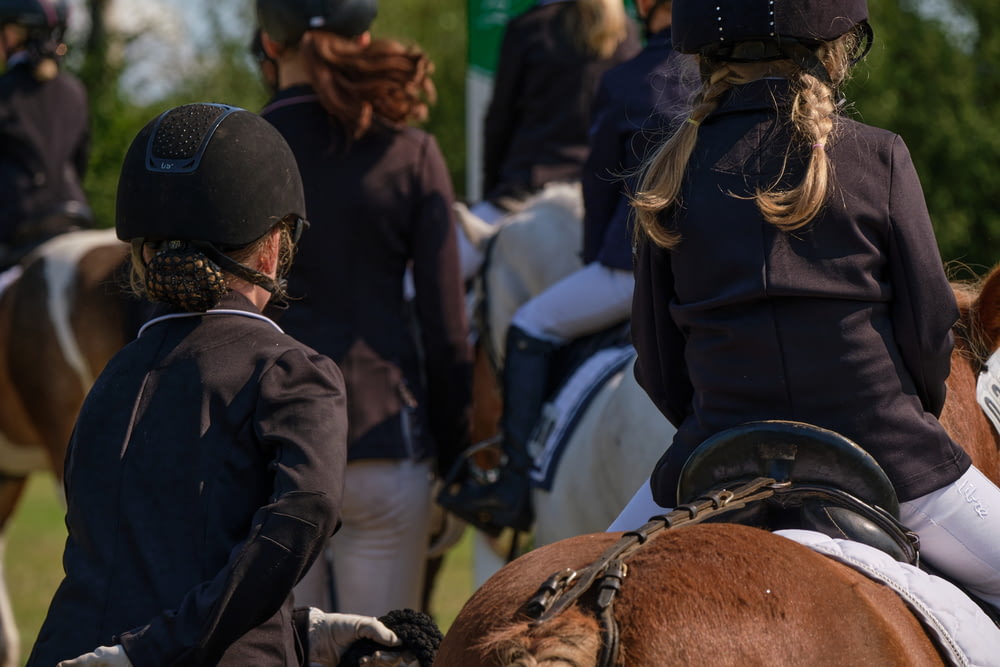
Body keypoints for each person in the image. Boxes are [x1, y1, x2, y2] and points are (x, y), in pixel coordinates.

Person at [617, 0, 1000, 612]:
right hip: (892, 459)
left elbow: (657, 362)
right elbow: (930, 333)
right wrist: (906, 418)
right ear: (833, 49)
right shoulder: (881, 155)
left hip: (718, 458)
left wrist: (719, 424)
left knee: (563, 595)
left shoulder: (669, 173)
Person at [26, 103, 406, 666]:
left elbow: (142, 565)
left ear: (145, 253)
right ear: (275, 247)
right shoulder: (292, 372)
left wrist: (298, 630)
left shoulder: (113, 376)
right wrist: (146, 655)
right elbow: (304, 518)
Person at [440, 0, 694, 533]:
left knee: (530, 323)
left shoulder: (625, 79)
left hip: (627, 269)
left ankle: (510, 487)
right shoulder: (713, 73)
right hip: (703, 272)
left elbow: (599, 190)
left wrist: (590, 256)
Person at [255, 0, 473, 617]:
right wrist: (452, 452)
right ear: (366, 35)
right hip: (382, 441)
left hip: (266, 452)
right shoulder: (411, 153)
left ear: (271, 47)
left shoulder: (235, 152)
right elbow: (447, 332)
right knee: (378, 653)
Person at [458, 0, 642, 280]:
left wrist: (492, 192)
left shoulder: (529, 28)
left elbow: (499, 124)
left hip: (527, 188)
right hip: (603, 192)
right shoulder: (625, 31)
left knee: (425, 283)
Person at [0, 0, 91, 270]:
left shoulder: (5, 92)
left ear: (14, 34)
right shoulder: (75, 90)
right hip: (75, 214)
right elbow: (80, 160)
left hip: (21, 222)